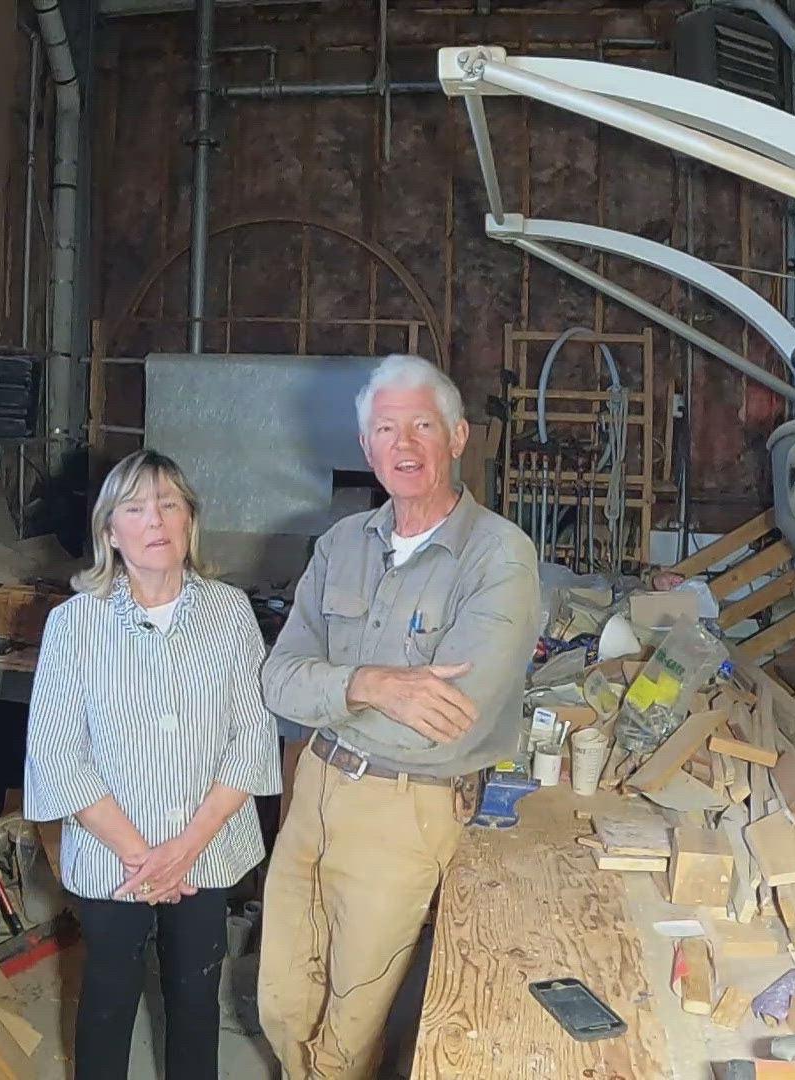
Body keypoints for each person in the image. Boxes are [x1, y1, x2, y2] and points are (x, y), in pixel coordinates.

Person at [258, 354, 541, 1078]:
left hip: (404, 812)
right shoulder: (339, 545)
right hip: (314, 793)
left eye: (422, 425)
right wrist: (375, 684)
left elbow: (449, 721)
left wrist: (334, 693)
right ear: (367, 447)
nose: (404, 445)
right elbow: (277, 681)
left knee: (351, 1030)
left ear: (457, 437)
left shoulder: (497, 555)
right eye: (387, 429)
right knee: (284, 1006)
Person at [24, 449, 281, 1080]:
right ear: (110, 531)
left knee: (195, 1000)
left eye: (169, 504)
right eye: (135, 508)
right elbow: (59, 755)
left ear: (191, 521)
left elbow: (251, 737)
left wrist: (185, 850)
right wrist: (144, 858)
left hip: (206, 850)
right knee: (108, 1001)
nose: (155, 520)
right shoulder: (74, 625)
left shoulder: (229, 612)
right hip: (115, 855)